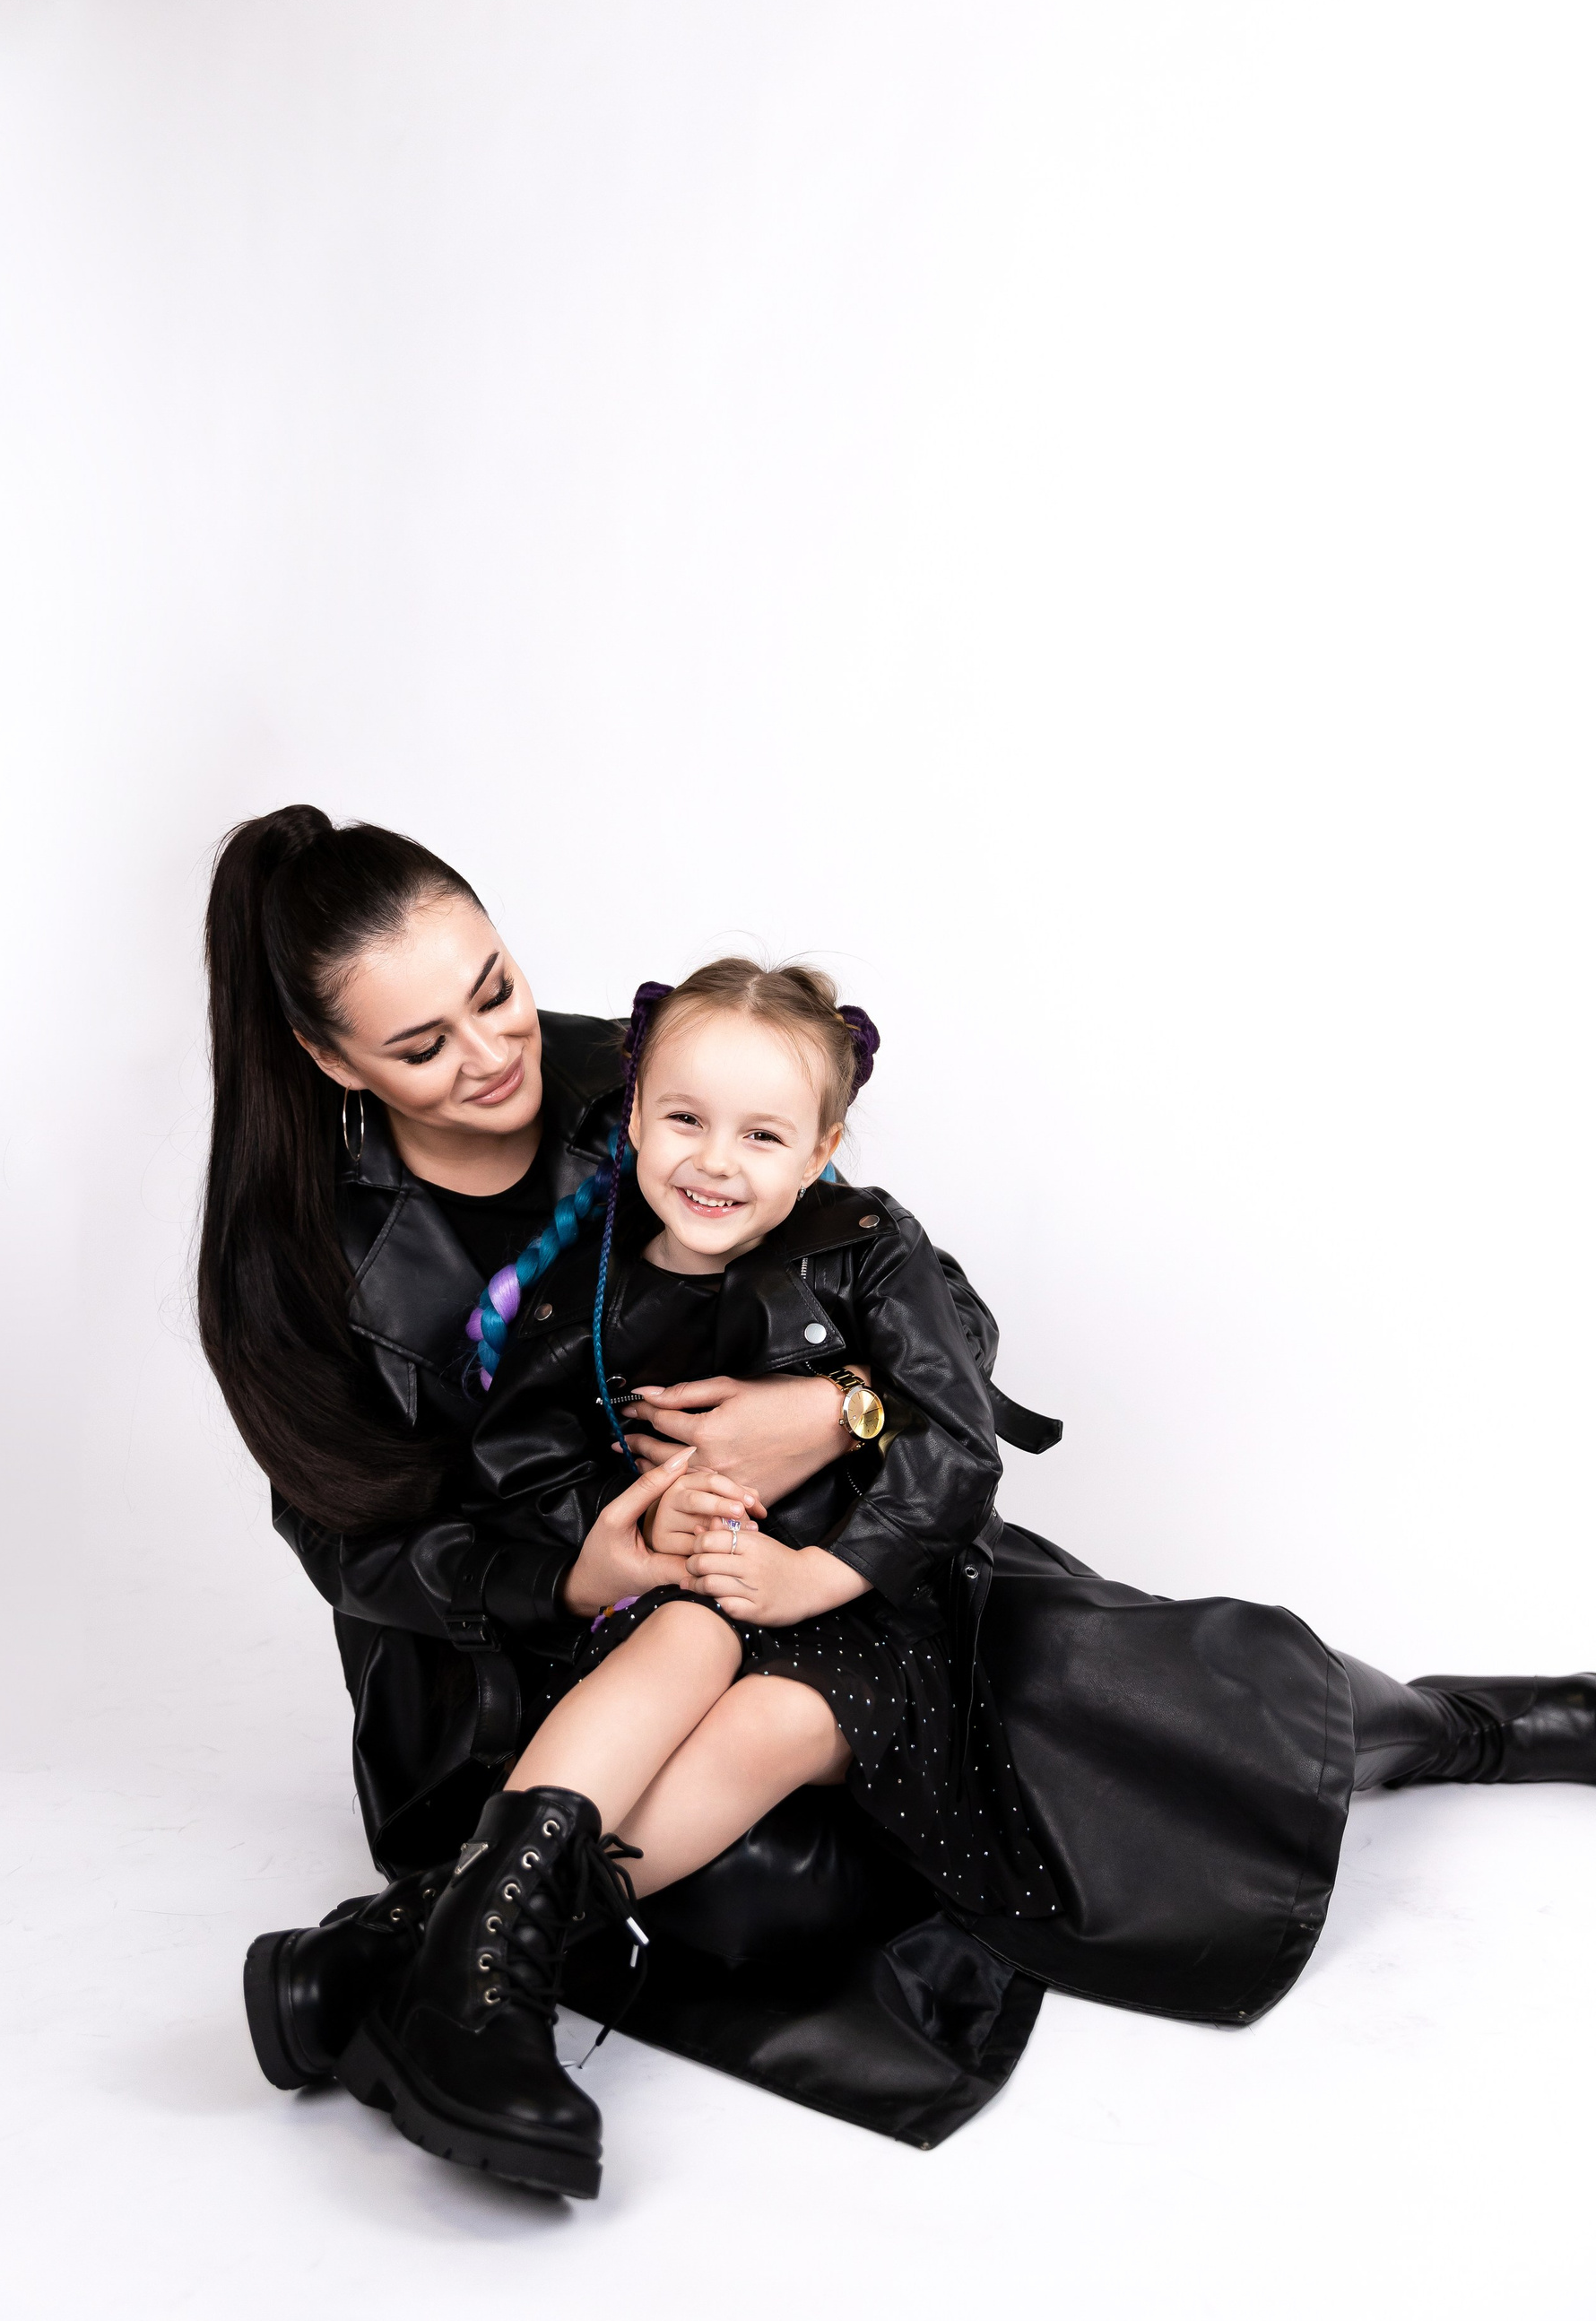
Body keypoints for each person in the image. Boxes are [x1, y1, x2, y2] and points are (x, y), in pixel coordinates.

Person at [203, 810, 1596, 2199]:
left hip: (791, 1554)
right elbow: (353, 1546)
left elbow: (920, 1303)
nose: (493, 1052)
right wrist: (578, 1566)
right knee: (779, 1878)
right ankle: (451, 1946)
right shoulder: (293, 1251)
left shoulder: (650, 1071)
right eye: (423, 1046)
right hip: (518, 1657)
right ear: (331, 1059)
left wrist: (836, 1409)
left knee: (1104, 1684)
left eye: (495, 990)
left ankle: (402, 1958)